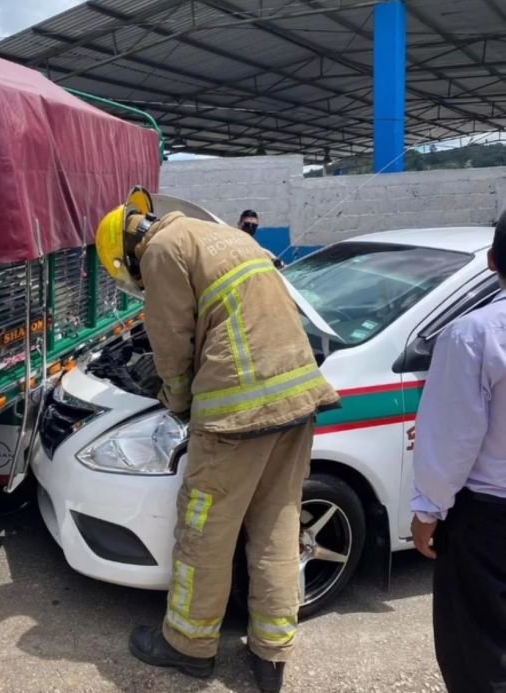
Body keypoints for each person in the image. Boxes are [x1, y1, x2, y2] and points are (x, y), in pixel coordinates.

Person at [95, 187, 339, 692]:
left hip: (236, 416)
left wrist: (178, 402)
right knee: (276, 528)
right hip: (297, 401)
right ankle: (270, 656)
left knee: (205, 534)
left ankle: (188, 646)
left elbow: (169, 341)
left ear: (130, 257)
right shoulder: (226, 236)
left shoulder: (163, 252)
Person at [411, 213, 506, 693]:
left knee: (479, 650)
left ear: (492, 262)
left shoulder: (473, 335)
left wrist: (428, 510)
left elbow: (453, 439)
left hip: (488, 522)